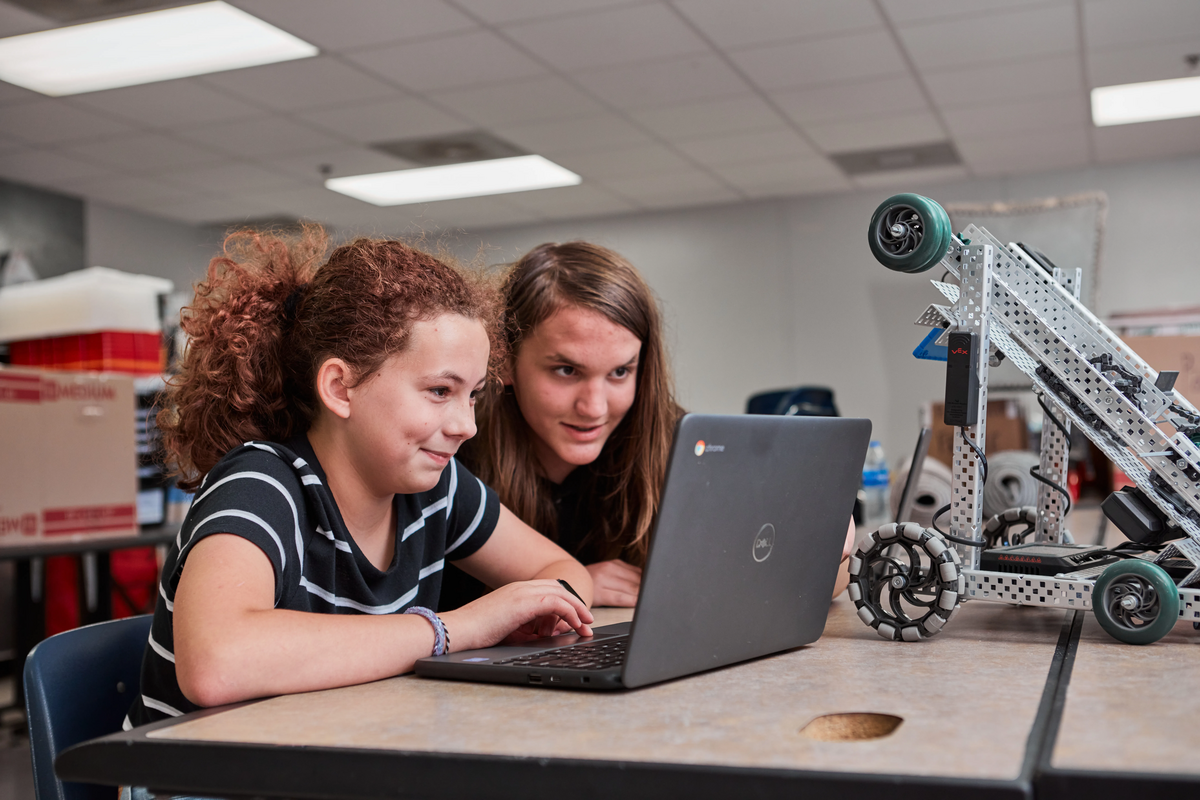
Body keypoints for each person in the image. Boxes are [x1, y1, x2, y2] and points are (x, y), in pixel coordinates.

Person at [124, 227, 594, 732]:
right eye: (439, 390)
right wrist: (456, 629)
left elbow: (559, 570)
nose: (467, 425)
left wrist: (542, 613)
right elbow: (216, 664)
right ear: (340, 388)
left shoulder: (436, 486)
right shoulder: (260, 486)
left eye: (473, 395)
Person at [440, 242, 855, 611]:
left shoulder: (680, 444)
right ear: (505, 360)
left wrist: (821, 536)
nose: (594, 407)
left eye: (620, 372)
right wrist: (574, 584)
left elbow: (820, 586)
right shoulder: (451, 451)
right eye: (566, 370)